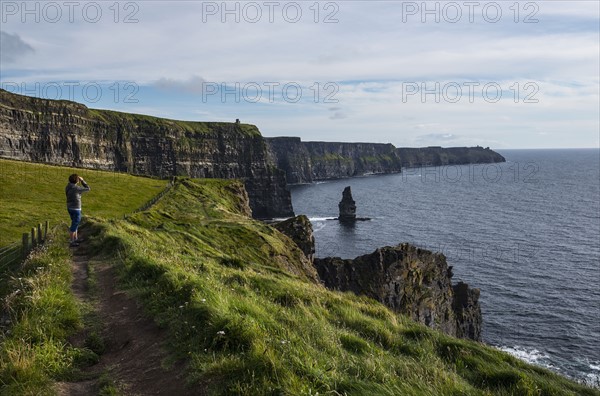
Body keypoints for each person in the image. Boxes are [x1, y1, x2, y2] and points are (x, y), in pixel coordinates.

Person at [66, 174, 90, 247]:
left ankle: (75, 238)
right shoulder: (77, 188)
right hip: (76, 208)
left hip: (69, 207)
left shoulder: (68, 187)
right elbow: (88, 188)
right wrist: (82, 181)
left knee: (75, 223)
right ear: (77, 181)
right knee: (74, 225)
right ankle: (72, 241)